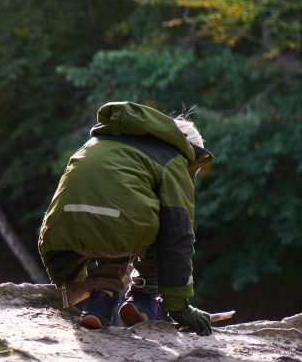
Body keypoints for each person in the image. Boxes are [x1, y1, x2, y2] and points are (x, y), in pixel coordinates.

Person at [37, 101, 216, 336]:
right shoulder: (173, 157)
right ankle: (143, 297)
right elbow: (178, 234)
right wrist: (179, 307)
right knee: (157, 224)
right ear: (188, 149)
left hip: (60, 238)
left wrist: (70, 279)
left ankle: (100, 299)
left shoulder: (95, 143)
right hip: (118, 228)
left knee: (117, 221)